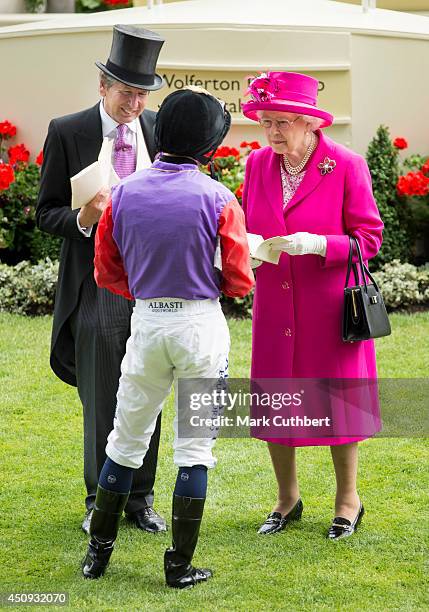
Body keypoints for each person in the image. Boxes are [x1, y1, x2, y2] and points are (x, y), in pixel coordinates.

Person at [81, 86, 254, 587]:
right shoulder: (219, 198)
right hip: (199, 324)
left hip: (148, 321)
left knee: (126, 437)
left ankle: (98, 554)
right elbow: (241, 281)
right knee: (195, 447)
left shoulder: (124, 193)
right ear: (208, 144)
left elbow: (106, 273)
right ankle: (178, 565)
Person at [36, 25, 167, 535]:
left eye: (141, 93)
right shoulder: (67, 131)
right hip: (96, 285)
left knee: (150, 387)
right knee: (103, 395)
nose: (134, 103)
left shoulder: (158, 129)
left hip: (155, 285)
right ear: (102, 86)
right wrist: (86, 219)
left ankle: (141, 498)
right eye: (125, 92)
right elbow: (47, 213)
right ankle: (100, 499)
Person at [241, 71, 384, 540]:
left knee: (338, 403)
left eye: (283, 121)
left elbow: (369, 238)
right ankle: (287, 498)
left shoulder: (345, 164)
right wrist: (253, 245)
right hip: (275, 304)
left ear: (309, 123)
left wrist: (319, 244)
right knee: (278, 400)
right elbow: (249, 222)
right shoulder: (257, 164)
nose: (273, 132)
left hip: (330, 306)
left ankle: (348, 499)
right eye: (266, 122)